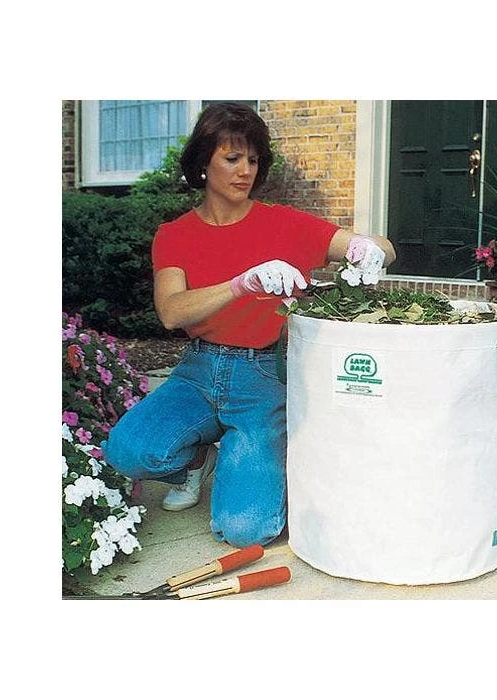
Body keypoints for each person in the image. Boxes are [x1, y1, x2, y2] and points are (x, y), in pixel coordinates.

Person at [103, 102, 396, 548]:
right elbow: (172, 311)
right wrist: (241, 284)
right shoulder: (176, 234)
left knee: (245, 530)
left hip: (263, 377)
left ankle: (241, 459)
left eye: (253, 160)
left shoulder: (285, 224)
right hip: (197, 374)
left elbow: (382, 246)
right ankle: (196, 460)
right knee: (128, 451)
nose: (245, 171)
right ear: (203, 163)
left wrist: (370, 250)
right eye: (232, 158)